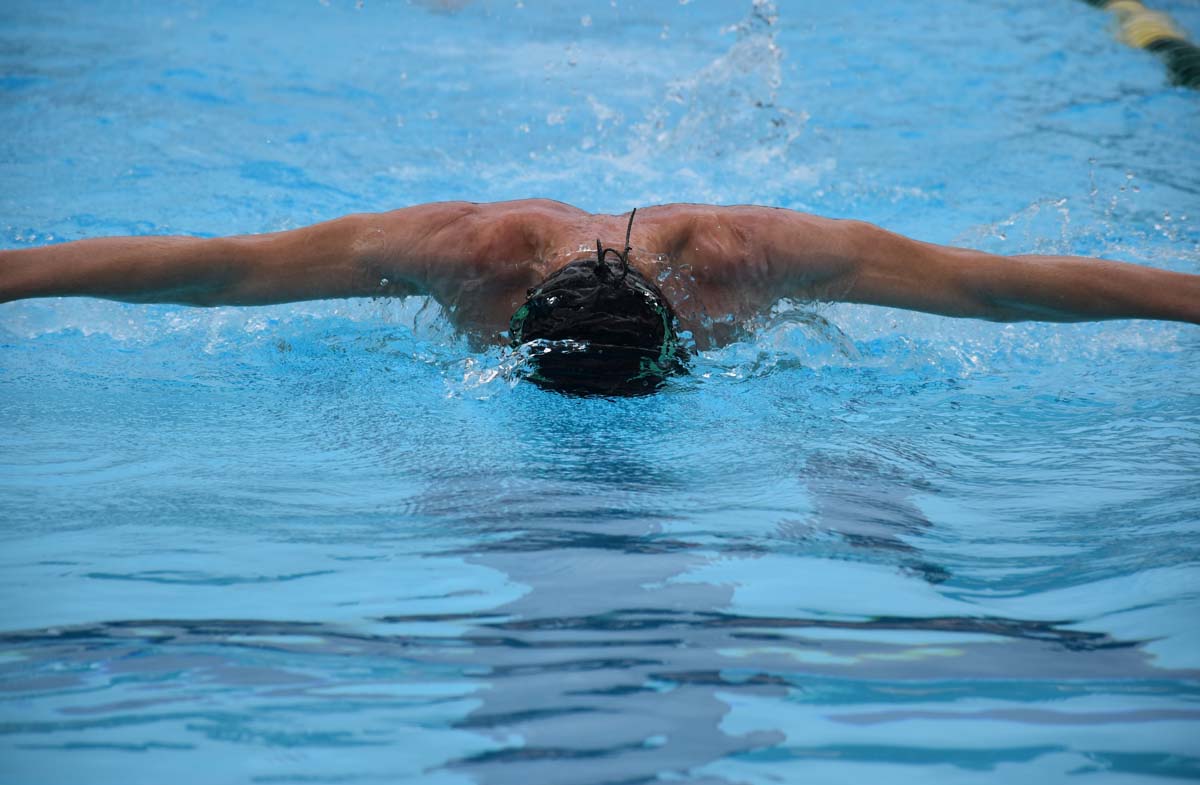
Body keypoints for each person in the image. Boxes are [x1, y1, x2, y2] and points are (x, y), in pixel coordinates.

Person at [1, 199, 1197, 394]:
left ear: (691, 330)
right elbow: (217, 268)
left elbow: (996, 292)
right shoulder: (461, 253)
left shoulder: (751, 260)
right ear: (506, 322)